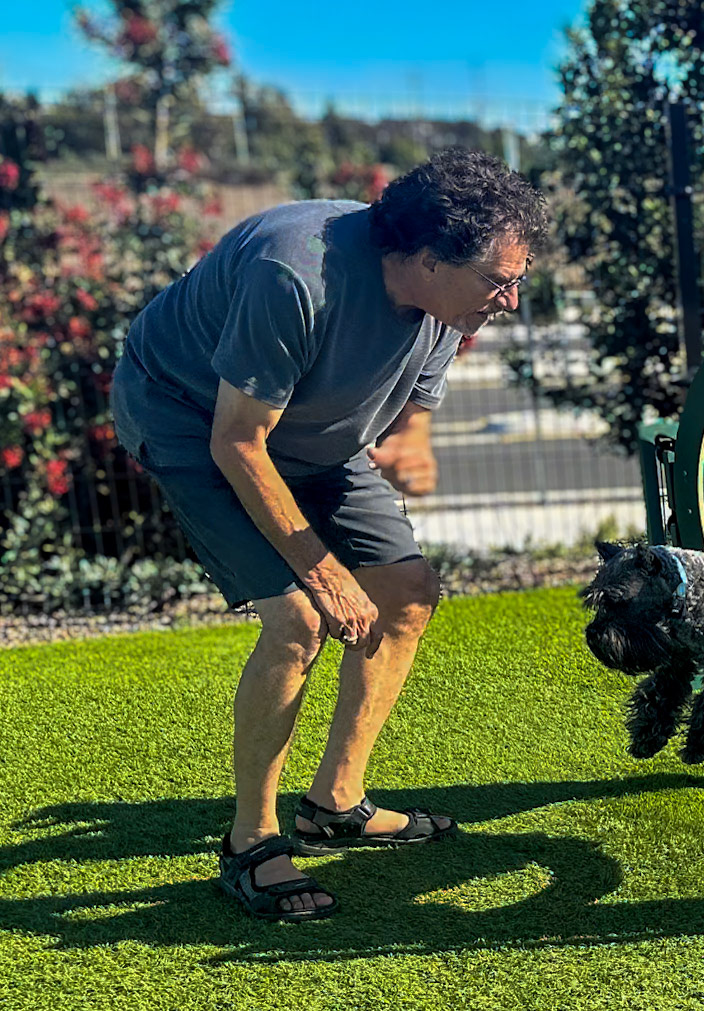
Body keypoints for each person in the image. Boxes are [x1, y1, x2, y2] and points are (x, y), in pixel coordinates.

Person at [109, 148, 550, 921]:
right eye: (497, 279)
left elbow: (412, 409)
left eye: (518, 279)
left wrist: (413, 444)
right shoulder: (295, 275)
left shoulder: (449, 304)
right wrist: (323, 571)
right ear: (426, 256)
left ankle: (335, 802)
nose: (510, 299)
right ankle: (251, 841)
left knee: (408, 591)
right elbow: (237, 441)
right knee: (297, 619)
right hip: (192, 420)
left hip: (312, 437)